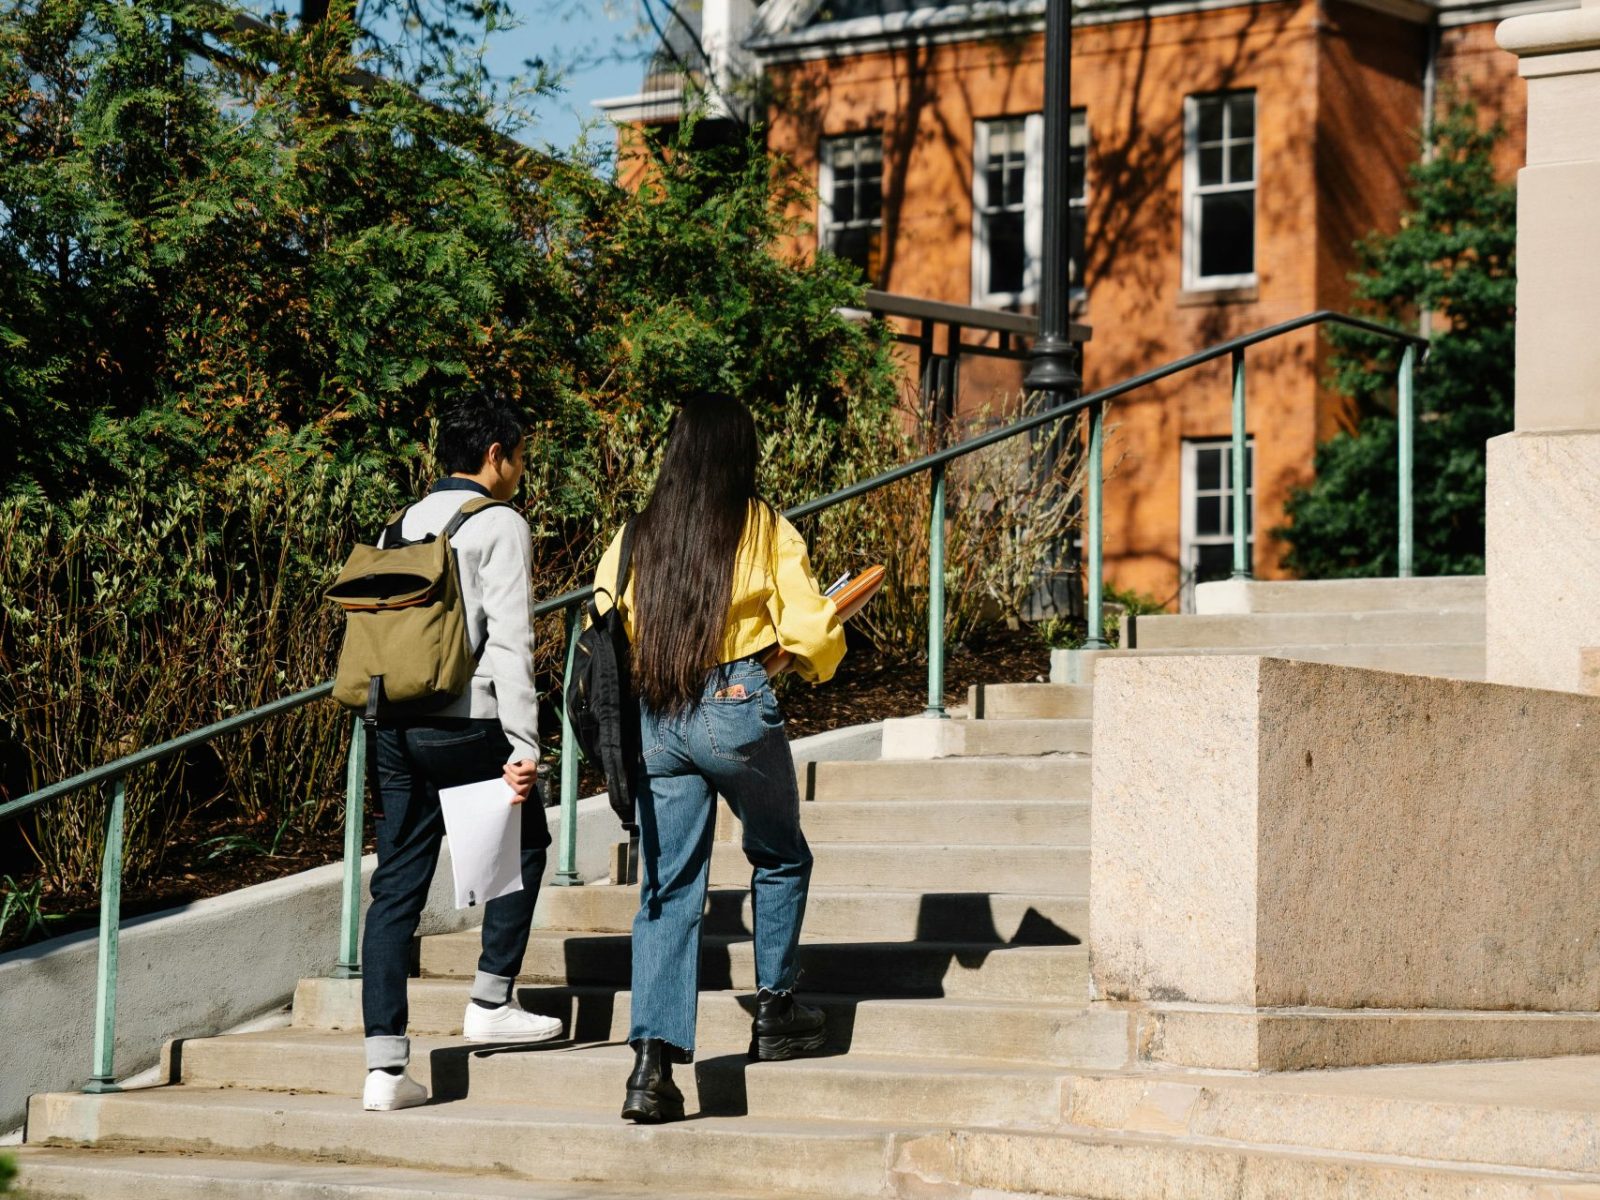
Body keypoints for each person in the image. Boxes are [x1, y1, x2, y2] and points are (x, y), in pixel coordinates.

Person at [590, 395, 846, 1124]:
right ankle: (775, 1011)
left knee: (669, 891)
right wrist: (809, 657)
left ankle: (651, 1068)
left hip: (656, 714)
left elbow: (603, 615)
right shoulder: (761, 523)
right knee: (779, 853)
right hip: (734, 700)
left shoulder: (637, 532)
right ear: (741, 451)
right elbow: (809, 625)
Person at [361, 393, 563, 1113]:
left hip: (393, 723)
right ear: (494, 455)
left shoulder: (402, 521)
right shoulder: (500, 522)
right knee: (527, 841)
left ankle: (384, 1070)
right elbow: (512, 641)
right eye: (520, 455)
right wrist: (525, 745)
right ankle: (490, 997)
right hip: (468, 719)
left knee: (396, 890)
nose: (521, 469)